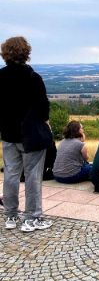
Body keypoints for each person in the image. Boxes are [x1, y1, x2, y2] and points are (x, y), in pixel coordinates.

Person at [0, 36, 52, 231]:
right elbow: (43, 108)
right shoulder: (33, 78)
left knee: (11, 175)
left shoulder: (0, 76)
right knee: (32, 176)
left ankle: (11, 216)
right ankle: (32, 218)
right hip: (31, 134)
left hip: (8, 133)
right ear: (26, 53)